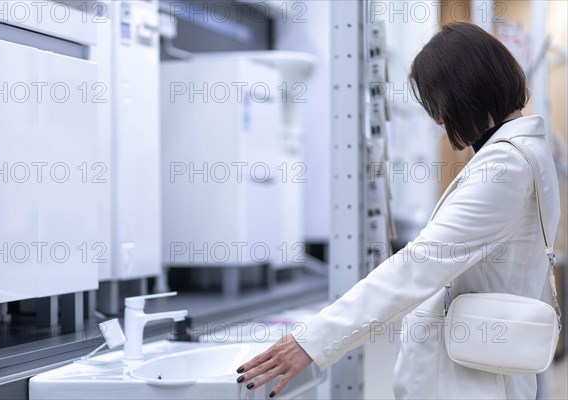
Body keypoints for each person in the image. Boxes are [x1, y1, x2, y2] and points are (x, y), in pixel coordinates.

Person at [235, 22, 561, 399]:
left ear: (467, 92)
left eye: (439, 105)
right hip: (485, 374)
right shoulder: (527, 154)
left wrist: (311, 341)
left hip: (470, 384)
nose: (440, 120)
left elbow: (419, 265)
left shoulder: (504, 167)